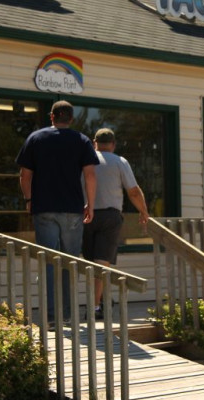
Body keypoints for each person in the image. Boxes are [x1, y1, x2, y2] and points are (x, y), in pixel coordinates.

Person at [16, 100, 99, 326]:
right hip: (72, 209)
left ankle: (52, 317)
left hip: (44, 208)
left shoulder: (36, 138)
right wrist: (90, 205)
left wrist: (29, 199)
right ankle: (70, 315)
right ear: (71, 119)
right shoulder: (81, 141)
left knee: (49, 262)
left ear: (51, 117)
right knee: (70, 262)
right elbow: (90, 175)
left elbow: (25, 175)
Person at [83, 128, 150, 320]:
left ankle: (100, 303)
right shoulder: (119, 162)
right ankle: (95, 307)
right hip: (110, 216)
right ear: (113, 144)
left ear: (94, 142)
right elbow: (134, 191)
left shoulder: (84, 161)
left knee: (89, 264)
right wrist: (144, 211)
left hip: (86, 214)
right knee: (102, 262)